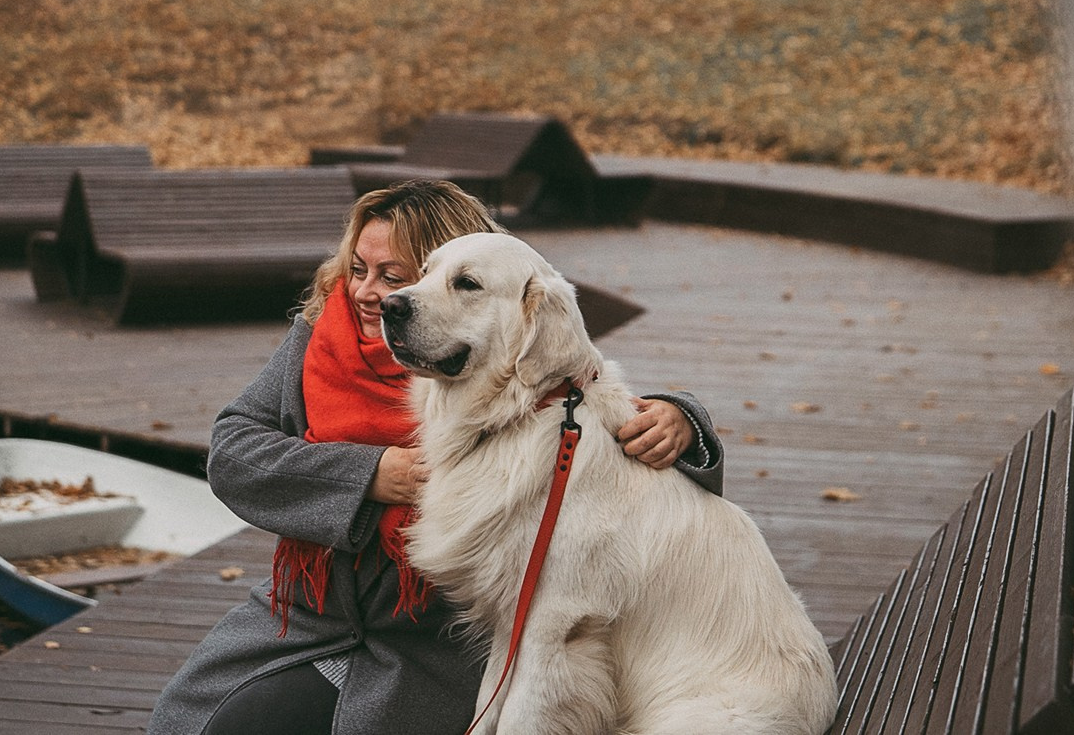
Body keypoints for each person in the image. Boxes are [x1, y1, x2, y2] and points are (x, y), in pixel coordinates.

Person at [147, 179, 723, 735]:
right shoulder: (321, 338)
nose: (371, 293)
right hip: (306, 614)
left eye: (392, 276)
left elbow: (587, 403)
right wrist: (369, 475)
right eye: (357, 269)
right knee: (208, 723)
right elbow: (234, 450)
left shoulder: (501, 359)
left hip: (436, 643)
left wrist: (680, 417)